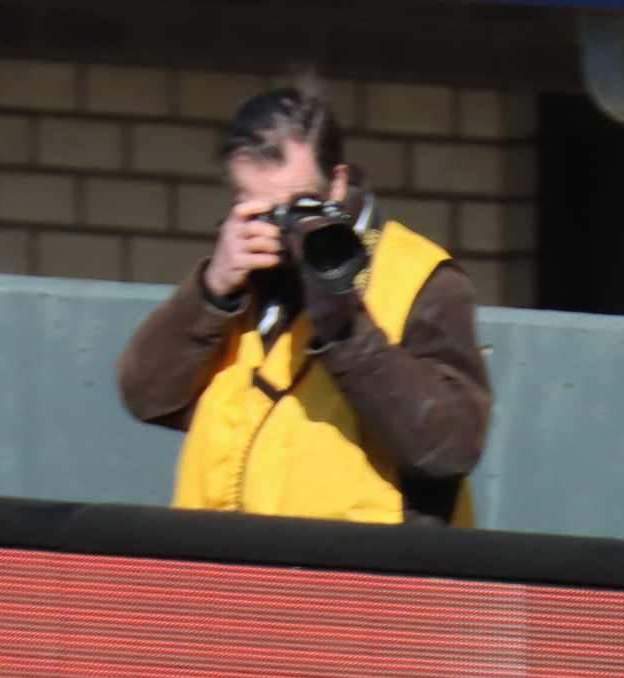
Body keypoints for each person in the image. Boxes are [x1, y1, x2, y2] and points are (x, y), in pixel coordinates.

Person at [115, 81, 490, 526]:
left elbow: (452, 446)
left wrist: (344, 328)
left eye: (297, 206)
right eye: (257, 210)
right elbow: (146, 396)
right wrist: (211, 289)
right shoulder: (243, 279)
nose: (279, 229)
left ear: (338, 183)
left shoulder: (421, 280)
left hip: (359, 583)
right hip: (226, 573)